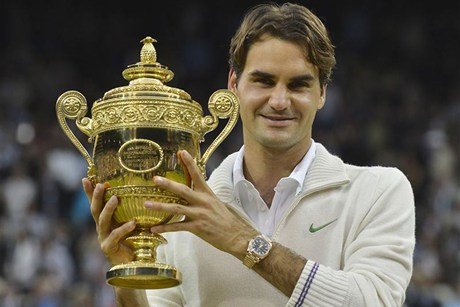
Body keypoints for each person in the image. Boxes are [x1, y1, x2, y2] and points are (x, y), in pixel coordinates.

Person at [83, 3, 415, 306]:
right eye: (264, 81)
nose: (280, 101)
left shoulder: (377, 191)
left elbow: (376, 301)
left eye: (298, 85)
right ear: (234, 84)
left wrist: (243, 241)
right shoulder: (180, 210)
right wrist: (127, 279)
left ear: (322, 94)